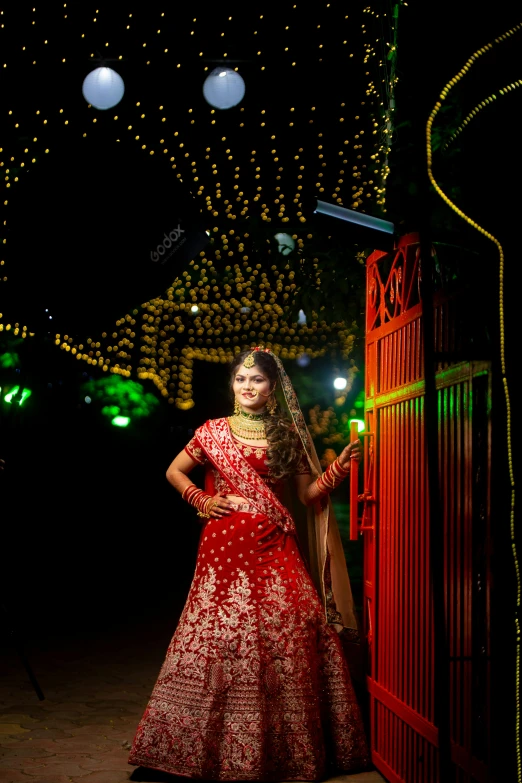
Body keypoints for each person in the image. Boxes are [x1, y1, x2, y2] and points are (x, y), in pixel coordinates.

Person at [128, 347, 370, 781]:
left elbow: (308, 495)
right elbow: (174, 471)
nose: (248, 387)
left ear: (273, 387)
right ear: (233, 386)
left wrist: (340, 468)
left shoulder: (285, 435)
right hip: (223, 550)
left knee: (291, 629)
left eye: (256, 380)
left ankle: (284, 749)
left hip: (275, 545)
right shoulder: (213, 431)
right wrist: (203, 499)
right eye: (241, 380)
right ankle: (188, 747)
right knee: (218, 637)